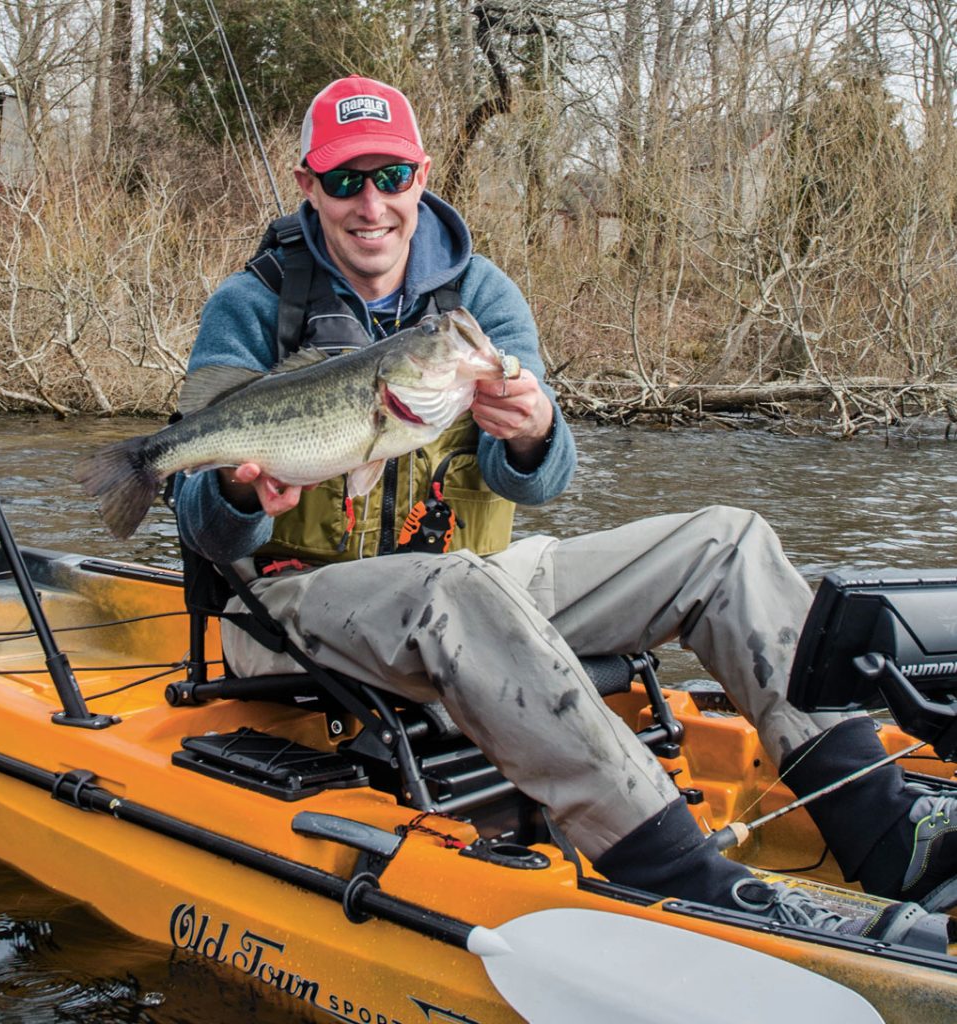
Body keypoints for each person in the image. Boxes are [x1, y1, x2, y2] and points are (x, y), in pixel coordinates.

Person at [175, 76, 957, 946]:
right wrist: (239, 493)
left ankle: (890, 832)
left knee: (727, 544)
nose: (371, 204)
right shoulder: (252, 305)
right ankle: (679, 874)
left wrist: (533, 433)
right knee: (454, 587)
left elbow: (538, 485)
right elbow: (200, 522)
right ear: (308, 184)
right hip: (291, 604)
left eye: (390, 177)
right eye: (344, 179)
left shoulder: (479, 298)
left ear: (421, 177)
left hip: (473, 584)